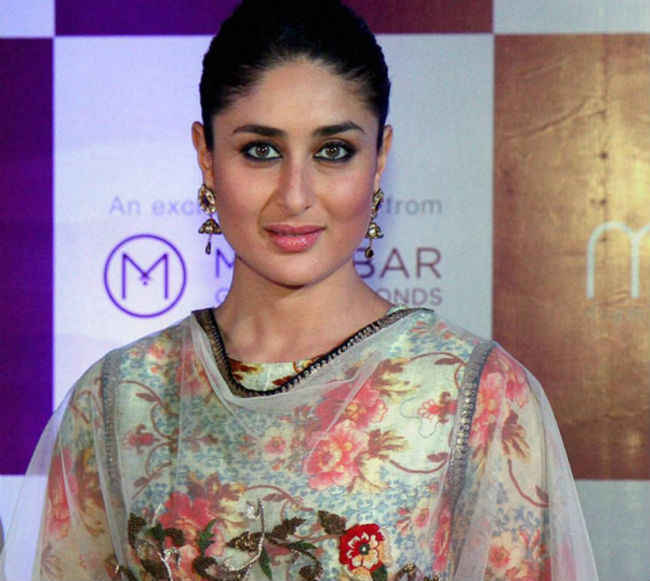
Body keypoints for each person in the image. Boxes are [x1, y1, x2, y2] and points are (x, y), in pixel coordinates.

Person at [0, 1, 599, 580]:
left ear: (379, 158)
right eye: (260, 151)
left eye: (333, 151)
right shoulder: (119, 398)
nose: (295, 195)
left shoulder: (476, 397)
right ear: (206, 157)